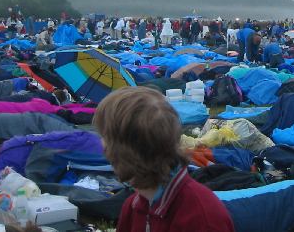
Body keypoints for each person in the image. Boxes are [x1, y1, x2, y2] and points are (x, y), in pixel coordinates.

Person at [93, 87, 235, 232]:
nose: (102, 144)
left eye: (105, 137)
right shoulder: (134, 206)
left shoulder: (202, 218)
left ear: (126, 150)